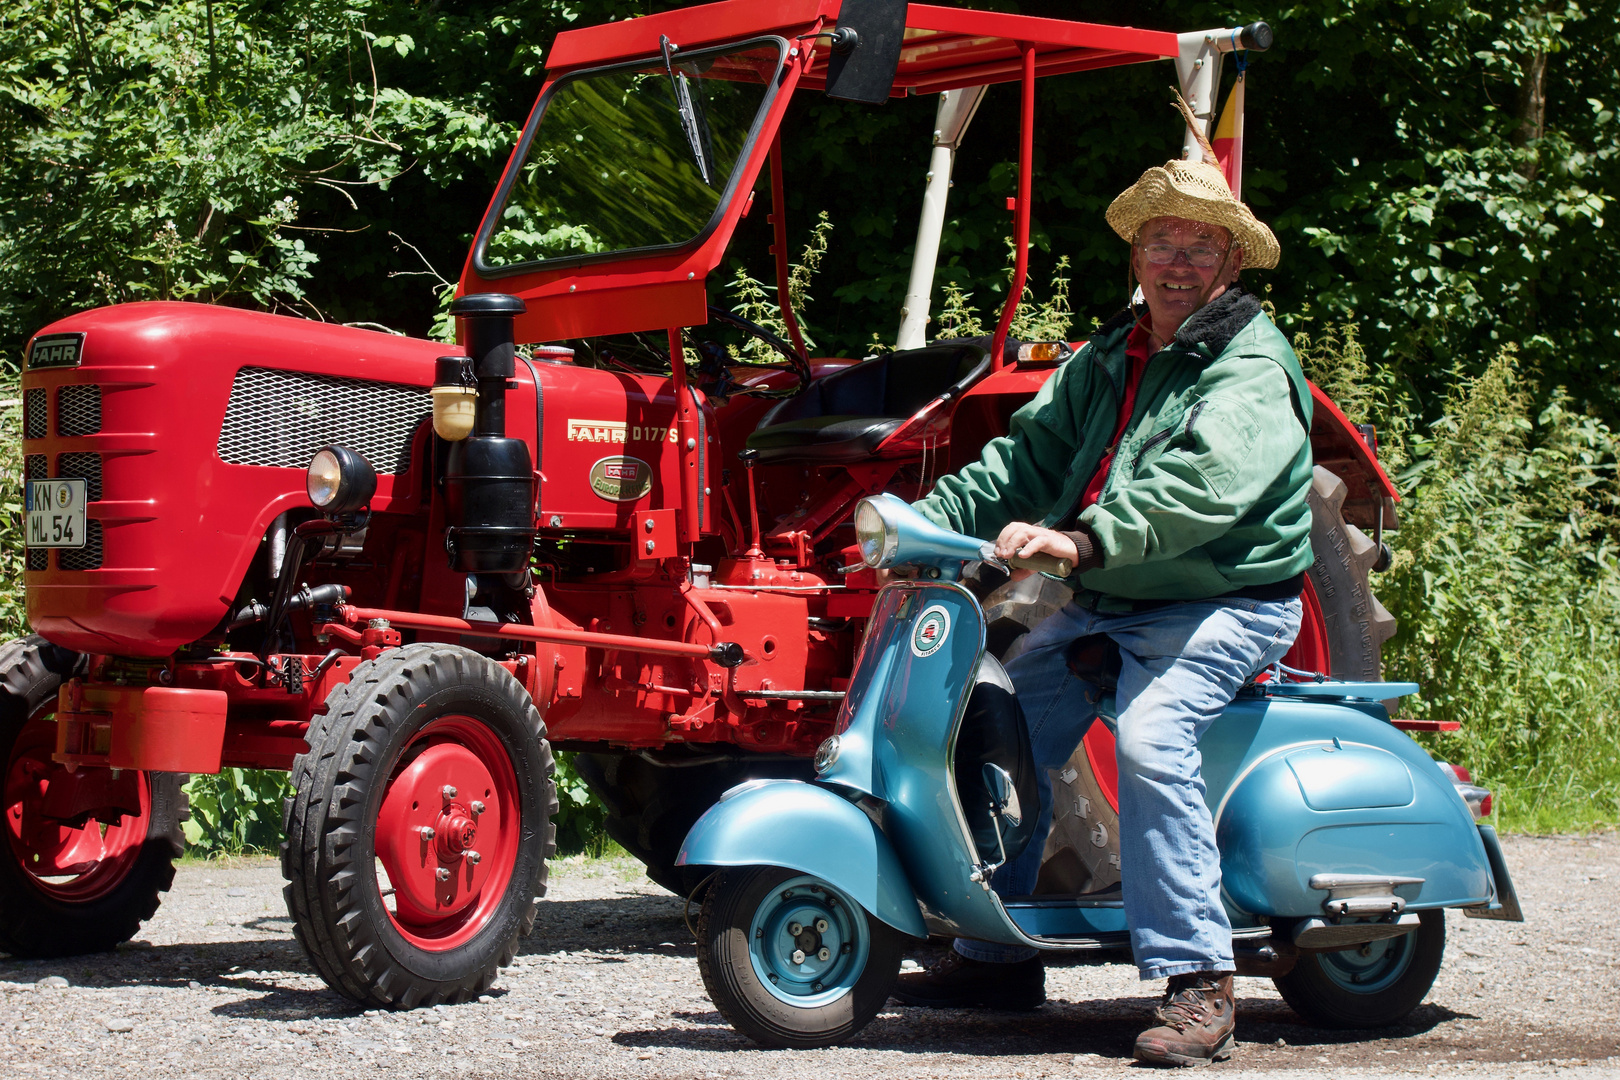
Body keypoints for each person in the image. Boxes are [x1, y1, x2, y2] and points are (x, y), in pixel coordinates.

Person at [895, 125, 1315, 1066]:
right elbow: (1024, 456)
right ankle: (994, 947)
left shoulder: (1248, 366)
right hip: (1111, 595)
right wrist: (917, 519)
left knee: (1153, 739)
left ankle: (1200, 979)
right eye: (1160, 242)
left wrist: (1082, 540)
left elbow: (1202, 490)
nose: (1176, 261)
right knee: (996, 721)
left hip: (1224, 600)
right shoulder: (1112, 355)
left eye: (1198, 245)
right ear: (1135, 254)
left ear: (1232, 259)